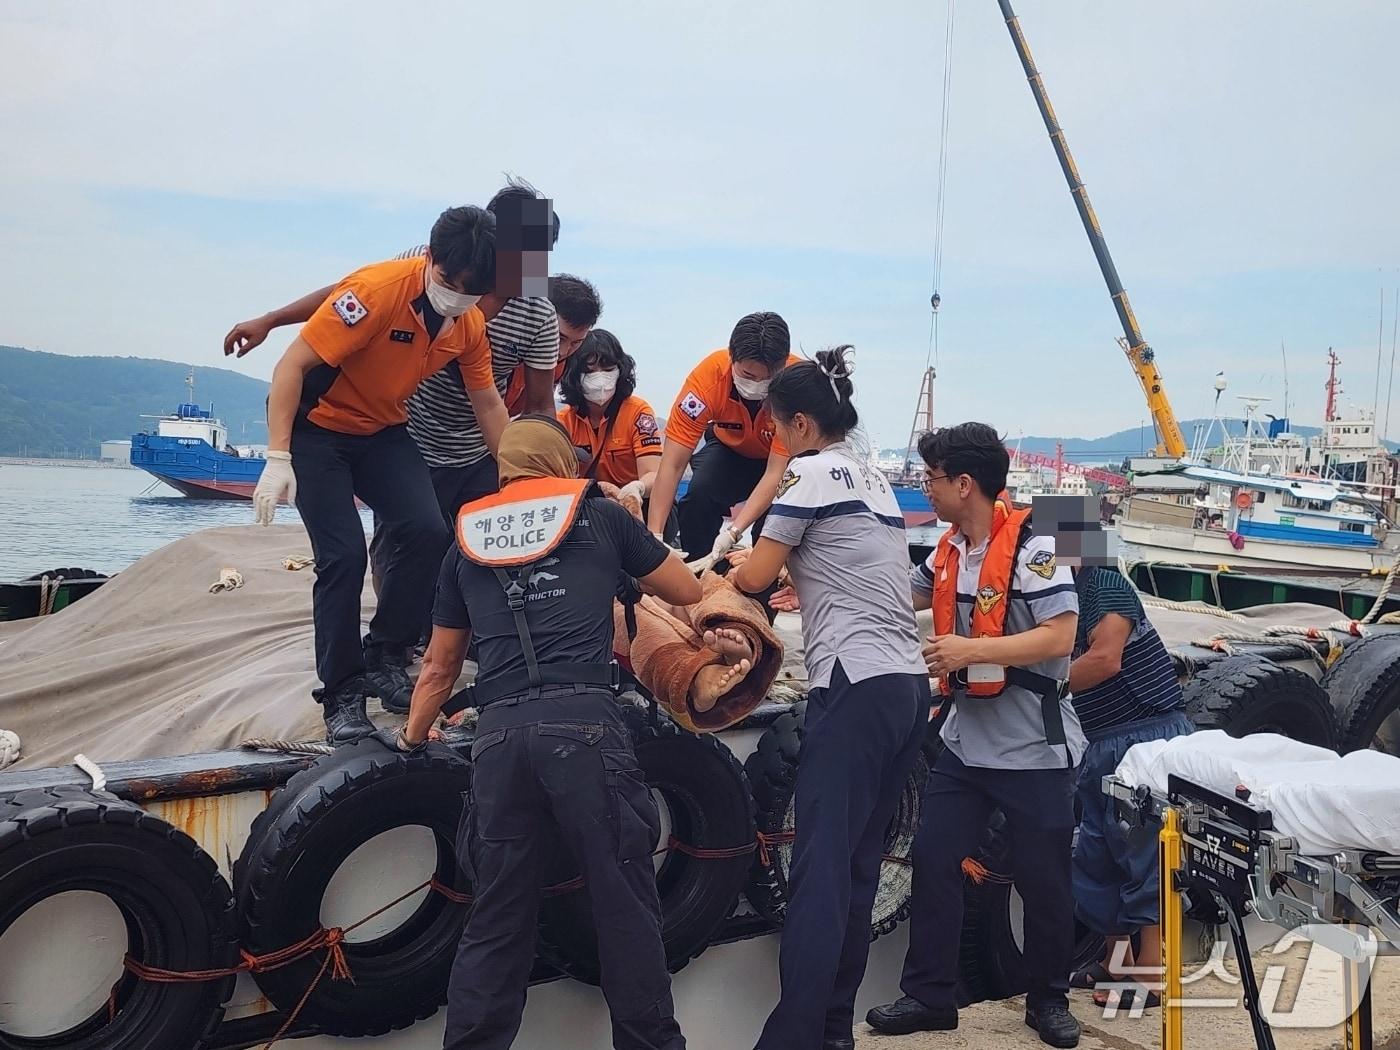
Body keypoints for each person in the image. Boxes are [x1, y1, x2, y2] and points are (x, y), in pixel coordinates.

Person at [393, 415, 700, 1050]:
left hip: (500, 741)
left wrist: (411, 736)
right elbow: (685, 587)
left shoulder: (465, 542)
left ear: (504, 468)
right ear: (563, 467)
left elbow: (440, 666)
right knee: (625, 907)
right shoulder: (600, 517)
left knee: (497, 918)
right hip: (586, 732)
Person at [725, 347, 931, 1050]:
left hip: (856, 686)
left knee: (817, 871)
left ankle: (790, 1040)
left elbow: (753, 576)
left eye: (777, 427)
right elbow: (858, 572)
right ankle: (832, 1032)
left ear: (803, 423)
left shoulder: (809, 474)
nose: (773, 440)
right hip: (907, 688)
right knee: (856, 870)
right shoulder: (875, 479)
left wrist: (736, 568)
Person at [866, 422, 1085, 1049]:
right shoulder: (948, 546)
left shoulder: (1038, 546)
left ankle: (1047, 999)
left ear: (966, 484)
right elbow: (904, 594)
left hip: (1034, 749)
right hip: (967, 744)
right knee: (934, 861)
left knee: (1044, 881)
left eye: (933, 479)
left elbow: (1061, 636)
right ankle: (930, 996)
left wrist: (970, 648)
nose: (926, 489)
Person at [251, 206, 504, 744]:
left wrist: (519, 475)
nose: (456, 296)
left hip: (381, 429)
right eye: (448, 282)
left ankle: (386, 654)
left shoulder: (469, 323)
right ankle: (341, 691)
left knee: (429, 530)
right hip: (315, 427)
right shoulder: (375, 291)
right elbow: (291, 367)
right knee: (343, 554)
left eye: (471, 291)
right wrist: (277, 457)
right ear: (429, 257)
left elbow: (487, 404)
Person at [1066, 558, 1191, 1011]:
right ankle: (1116, 960)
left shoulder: (1106, 584)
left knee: (1143, 851)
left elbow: (1106, 658)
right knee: (1096, 854)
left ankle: (1152, 972)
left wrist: (1039, 686)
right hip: (1100, 741)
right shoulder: (1061, 594)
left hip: (1147, 735)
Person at [646, 312, 799, 563]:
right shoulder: (706, 381)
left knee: (774, 524)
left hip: (785, 464)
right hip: (729, 450)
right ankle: (698, 574)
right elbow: (673, 465)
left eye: (767, 379)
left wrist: (734, 532)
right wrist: (654, 534)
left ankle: (762, 588)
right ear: (731, 356)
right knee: (698, 498)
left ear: (782, 365)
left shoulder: (796, 386)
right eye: (748, 376)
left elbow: (775, 474)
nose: (757, 385)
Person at [557, 329, 667, 527]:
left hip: (638, 508)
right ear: (573, 374)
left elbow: (653, 474)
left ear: (620, 369)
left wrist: (637, 488)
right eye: (589, 371)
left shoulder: (638, 413)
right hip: (589, 509)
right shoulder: (564, 421)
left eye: (607, 369)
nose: (600, 378)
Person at [502, 273, 602, 414]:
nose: (562, 351)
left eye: (576, 343)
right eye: (558, 337)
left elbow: (536, 412)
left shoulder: (563, 365)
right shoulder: (500, 341)